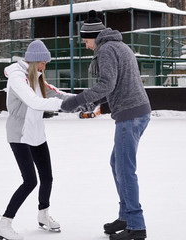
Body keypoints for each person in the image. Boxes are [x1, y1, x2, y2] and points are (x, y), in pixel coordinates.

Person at [61, 10, 151, 240]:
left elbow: (106, 84)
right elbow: (113, 86)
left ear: (94, 37)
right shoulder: (118, 46)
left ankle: (136, 226)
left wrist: (76, 101)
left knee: (124, 169)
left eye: (85, 40)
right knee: (117, 164)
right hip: (136, 112)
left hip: (130, 115)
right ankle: (126, 217)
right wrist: (91, 103)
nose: (85, 44)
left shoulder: (107, 49)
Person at [0, 39, 72, 240]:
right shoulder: (17, 78)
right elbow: (34, 102)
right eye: (42, 62)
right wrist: (61, 105)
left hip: (37, 134)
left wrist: (85, 100)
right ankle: (4, 224)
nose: (45, 66)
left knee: (47, 178)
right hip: (19, 135)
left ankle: (43, 215)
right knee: (30, 181)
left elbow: (59, 94)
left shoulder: (38, 78)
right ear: (34, 61)